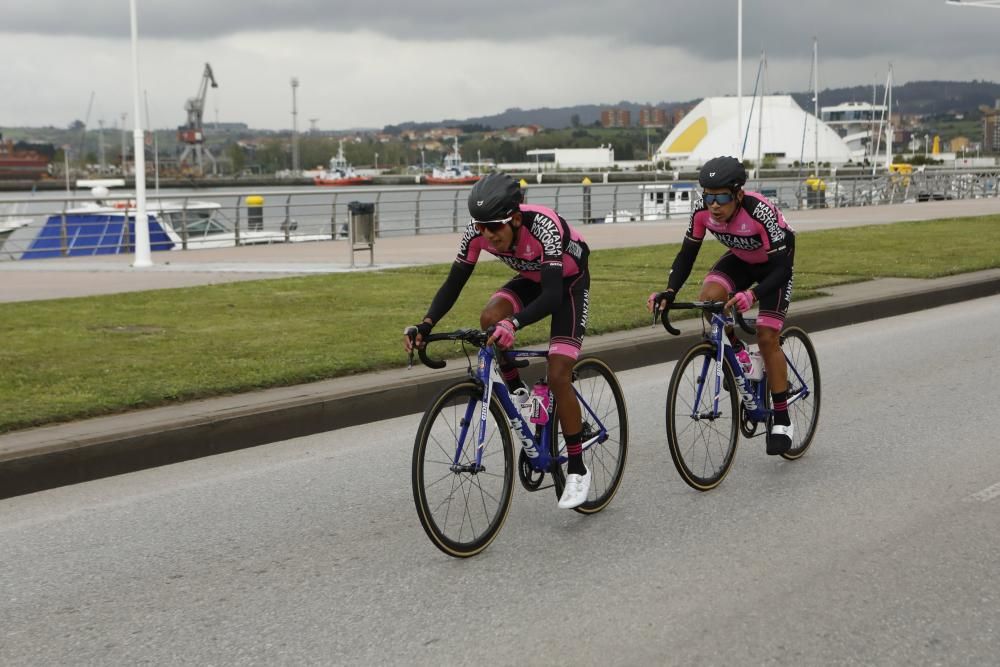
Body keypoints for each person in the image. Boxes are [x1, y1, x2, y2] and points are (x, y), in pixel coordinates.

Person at [404, 172, 593, 508]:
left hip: (567, 284)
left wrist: (515, 322)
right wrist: (426, 324)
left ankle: (577, 468)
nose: (487, 236)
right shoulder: (477, 233)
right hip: (534, 277)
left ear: (516, 219)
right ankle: (519, 391)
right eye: (480, 227)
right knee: (489, 319)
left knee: (559, 372)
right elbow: (453, 284)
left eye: (494, 228)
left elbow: (551, 296)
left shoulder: (544, 226)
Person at [647, 156, 796, 455]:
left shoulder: (759, 212)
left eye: (722, 196)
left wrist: (752, 295)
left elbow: (783, 270)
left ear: (739, 194)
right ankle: (740, 355)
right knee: (709, 299)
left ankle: (781, 418)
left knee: (767, 337)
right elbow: (686, 255)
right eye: (708, 195)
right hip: (741, 260)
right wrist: (670, 291)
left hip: (775, 267)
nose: (714, 204)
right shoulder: (702, 212)